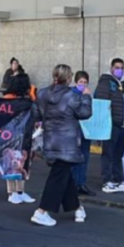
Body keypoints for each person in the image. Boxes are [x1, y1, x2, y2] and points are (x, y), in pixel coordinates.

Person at [31, 64, 92, 227]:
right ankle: (42, 211)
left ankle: (77, 208)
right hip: (68, 142)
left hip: (50, 140)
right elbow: (85, 113)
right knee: (59, 175)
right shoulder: (72, 96)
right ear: (69, 77)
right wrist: (86, 97)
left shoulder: (42, 93)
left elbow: (36, 114)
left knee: (63, 174)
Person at [94, 58, 124, 194]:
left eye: (122, 67)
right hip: (111, 125)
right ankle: (107, 180)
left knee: (118, 155)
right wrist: (102, 124)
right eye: (117, 67)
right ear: (112, 68)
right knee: (108, 153)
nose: (120, 70)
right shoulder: (106, 83)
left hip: (122, 125)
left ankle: (118, 180)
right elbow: (101, 103)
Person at [3, 68, 35, 205]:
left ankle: (18, 192)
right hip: (18, 135)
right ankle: (13, 192)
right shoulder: (23, 101)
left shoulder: (8, 100)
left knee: (19, 163)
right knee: (17, 163)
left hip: (14, 135)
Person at [70, 71, 96, 196]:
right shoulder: (72, 94)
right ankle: (74, 183)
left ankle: (81, 182)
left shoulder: (87, 95)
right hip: (76, 130)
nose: (83, 84)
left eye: (85, 82)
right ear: (76, 82)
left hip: (86, 130)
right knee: (76, 158)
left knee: (85, 157)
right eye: (81, 82)